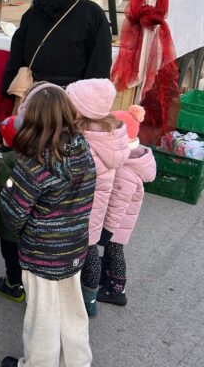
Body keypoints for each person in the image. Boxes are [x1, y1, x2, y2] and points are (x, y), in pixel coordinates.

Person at [0, 83, 96, 367]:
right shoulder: (83, 151)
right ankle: (76, 361)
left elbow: (14, 215)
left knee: (42, 316)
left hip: (41, 252)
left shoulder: (32, 163)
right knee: (72, 309)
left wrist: (8, 187)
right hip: (75, 246)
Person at [2, 0, 112, 94]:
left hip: (70, 94)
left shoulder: (92, 14)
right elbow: (17, 53)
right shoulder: (33, 13)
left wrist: (88, 97)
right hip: (32, 91)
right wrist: (7, 87)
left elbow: (99, 63)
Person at [65, 78, 130, 317]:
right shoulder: (110, 136)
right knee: (91, 252)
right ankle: (90, 300)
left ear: (82, 110)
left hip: (80, 209)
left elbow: (71, 178)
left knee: (80, 256)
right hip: (97, 210)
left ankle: (84, 301)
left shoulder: (84, 142)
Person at [99, 105, 156, 307]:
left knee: (114, 249)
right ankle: (106, 277)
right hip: (120, 219)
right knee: (111, 250)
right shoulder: (131, 160)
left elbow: (117, 204)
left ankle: (117, 290)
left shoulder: (125, 170)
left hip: (117, 222)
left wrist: (107, 229)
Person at [0, 116, 26, 303]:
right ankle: (27, 283)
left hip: (9, 226)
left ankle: (13, 285)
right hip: (30, 225)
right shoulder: (36, 160)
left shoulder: (5, 167)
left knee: (10, 255)